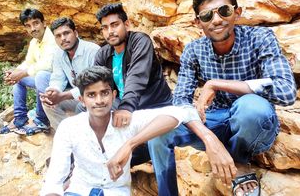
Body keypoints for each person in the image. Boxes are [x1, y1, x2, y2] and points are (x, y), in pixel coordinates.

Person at [146, 0, 297, 196]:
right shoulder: (194, 50)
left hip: (252, 124)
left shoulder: (261, 39)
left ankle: (239, 160)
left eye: (224, 11)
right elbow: (180, 102)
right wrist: (209, 139)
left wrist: (215, 83)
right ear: (198, 22)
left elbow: (286, 91)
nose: (216, 20)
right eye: (207, 16)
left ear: (237, 12)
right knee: (158, 132)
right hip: (214, 122)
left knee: (251, 107)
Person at [40, 66, 201, 196]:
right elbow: (54, 178)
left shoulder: (126, 121)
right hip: (79, 190)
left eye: (104, 93)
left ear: (113, 95)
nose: (99, 101)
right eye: (91, 95)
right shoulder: (69, 127)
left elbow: (179, 113)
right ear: (81, 100)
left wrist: (130, 144)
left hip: (115, 191)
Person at [94, 3, 173, 166]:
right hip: (126, 108)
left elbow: (137, 76)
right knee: (87, 113)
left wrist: (125, 107)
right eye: (105, 27)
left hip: (153, 107)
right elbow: (98, 86)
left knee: (123, 155)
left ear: (127, 25)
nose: (110, 31)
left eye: (115, 25)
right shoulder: (103, 54)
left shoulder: (139, 41)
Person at [0, 8, 58, 135]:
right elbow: (29, 62)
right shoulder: (34, 42)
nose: (33, 29)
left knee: (40, 76)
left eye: (36, 23)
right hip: (44, 80)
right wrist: (15, 73)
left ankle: (42, 120)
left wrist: (22, 73)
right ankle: (20, 118)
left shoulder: (53, 39)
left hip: (58, 82)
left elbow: (47, 65)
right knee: (18, 80)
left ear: (44, 23)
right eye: (28, 26)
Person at [39, 17, 100, 130]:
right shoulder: (58, 53)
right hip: (76, 96)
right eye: (58, 36)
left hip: (95, 96)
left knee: (81, 106)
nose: (63, 38)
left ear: (75, 33)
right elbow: (57, 78)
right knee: (48, 103)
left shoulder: (93, 51)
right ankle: (67, 136)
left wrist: (63, 96)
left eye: (66, 33)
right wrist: (53, 92)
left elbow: (94, 85)